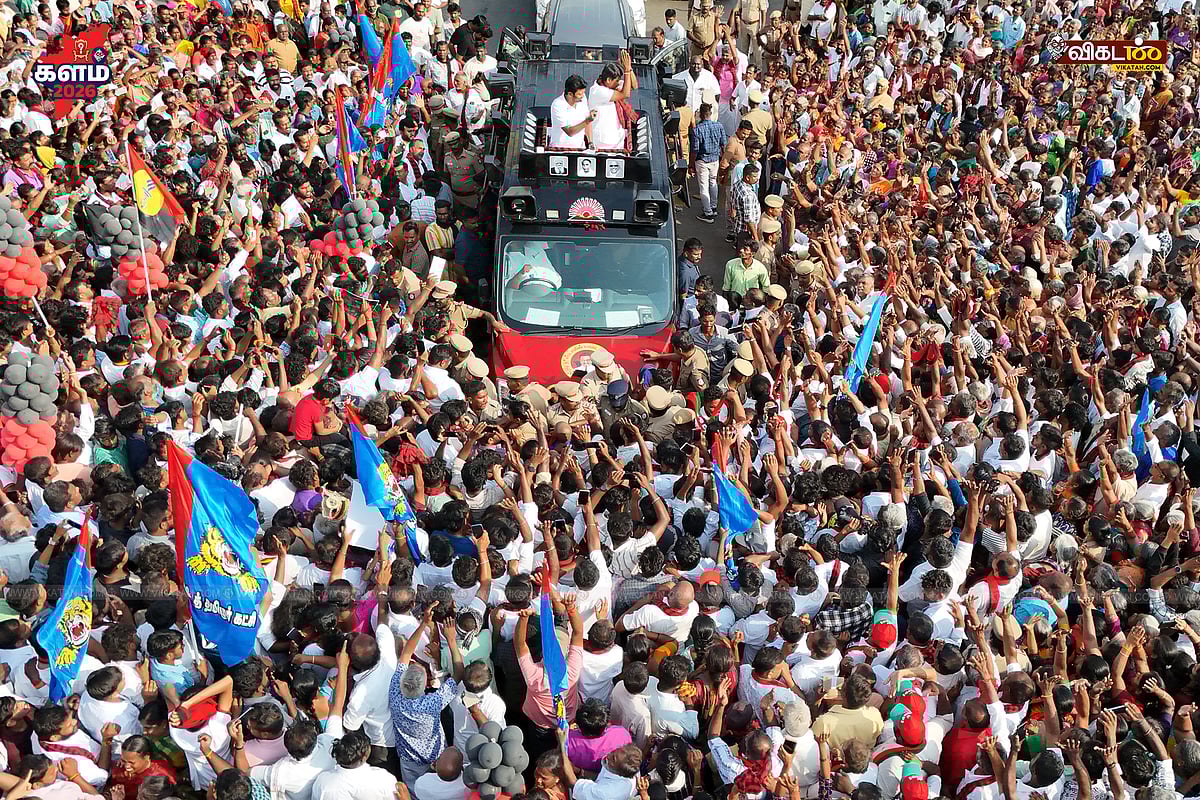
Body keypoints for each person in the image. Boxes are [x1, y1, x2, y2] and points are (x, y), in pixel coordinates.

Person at [549, 75, 594, 149]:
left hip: (580, 149)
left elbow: (587, 121)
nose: (583, 96)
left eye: (583, 93)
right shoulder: (558, 105)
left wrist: (590, 142)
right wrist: (587, 121)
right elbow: (569, 131)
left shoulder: (583, 99)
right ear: (570, 94)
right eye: (579, 94)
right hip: (560, 150)